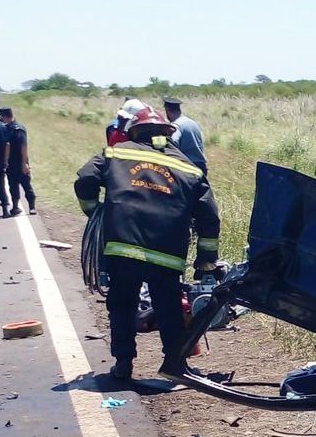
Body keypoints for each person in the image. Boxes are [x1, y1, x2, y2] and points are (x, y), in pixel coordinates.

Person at [74, 105, 220, 379]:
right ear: (168, 133)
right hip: (167, 252)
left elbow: (85, 179)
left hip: (123, 248)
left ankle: (123, 365)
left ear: (134, 132)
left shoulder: (116, 153)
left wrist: (95, 212)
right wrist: (206, 259)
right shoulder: (188, 168)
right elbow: (209, 216)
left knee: (122, 303)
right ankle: (176, 365)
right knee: (169, 306)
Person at [0, 108, 37, 215]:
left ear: (4, 116)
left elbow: (24, 146)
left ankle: (32, 207)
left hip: (20, 161)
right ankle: (15, 207)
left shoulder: (18, 129)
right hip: (11, 163)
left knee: (26, 185)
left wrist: (24, 163)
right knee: (13, 186)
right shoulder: (7, 128)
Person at [162, 96, 207, 176]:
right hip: (201, 165)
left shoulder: (175, 126)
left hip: (187, 167)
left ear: (167, 110)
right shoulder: (191, 122)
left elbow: (172, 144)